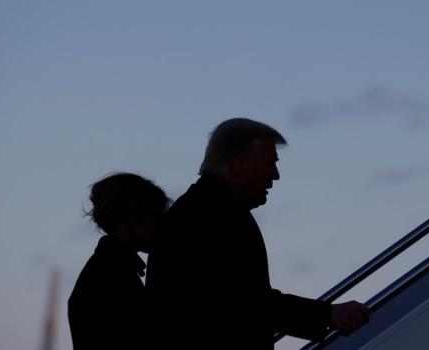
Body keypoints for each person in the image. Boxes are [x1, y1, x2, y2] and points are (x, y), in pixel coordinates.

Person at [146, 118, 370, 349]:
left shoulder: (201, 209)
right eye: (270, 164)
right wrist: (326, 314)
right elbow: (244, 302)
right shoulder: (216, 215)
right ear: (238, 165)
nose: (275, 175)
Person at [68, 172, 169, 350]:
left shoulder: (104, 271)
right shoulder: (112, 277)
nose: (161, 224)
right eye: (154, 214)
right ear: (131, 216)